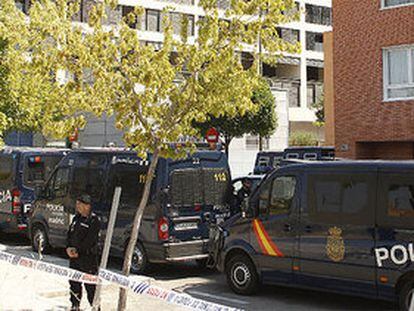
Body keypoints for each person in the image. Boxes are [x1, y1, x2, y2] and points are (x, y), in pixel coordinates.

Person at [67, 194, 101, 311]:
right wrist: (68, 248)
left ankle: (95, 308)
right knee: (74, 283)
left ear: (87, 206)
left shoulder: (94, 220)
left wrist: (79, 251)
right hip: (74, 258)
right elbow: (70, 235)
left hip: (88, 259)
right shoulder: (76, 218)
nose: (77, 206)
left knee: (90, 287)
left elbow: (90, 240)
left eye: (79, 204)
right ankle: (75, 306)